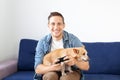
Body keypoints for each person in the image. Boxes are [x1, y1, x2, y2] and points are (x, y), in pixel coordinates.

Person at [34, 12, 89, 80]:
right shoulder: (42, 42)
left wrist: (75, 62)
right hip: (51, 70)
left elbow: (86, 66)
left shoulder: (73, 39)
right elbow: (38, 69)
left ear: (64, 25)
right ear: (48, 25)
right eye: (53, 24)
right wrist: (54, 67)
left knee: (66, 79)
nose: (56, 27)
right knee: (50, 77)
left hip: (72, 70)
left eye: (59, 24)